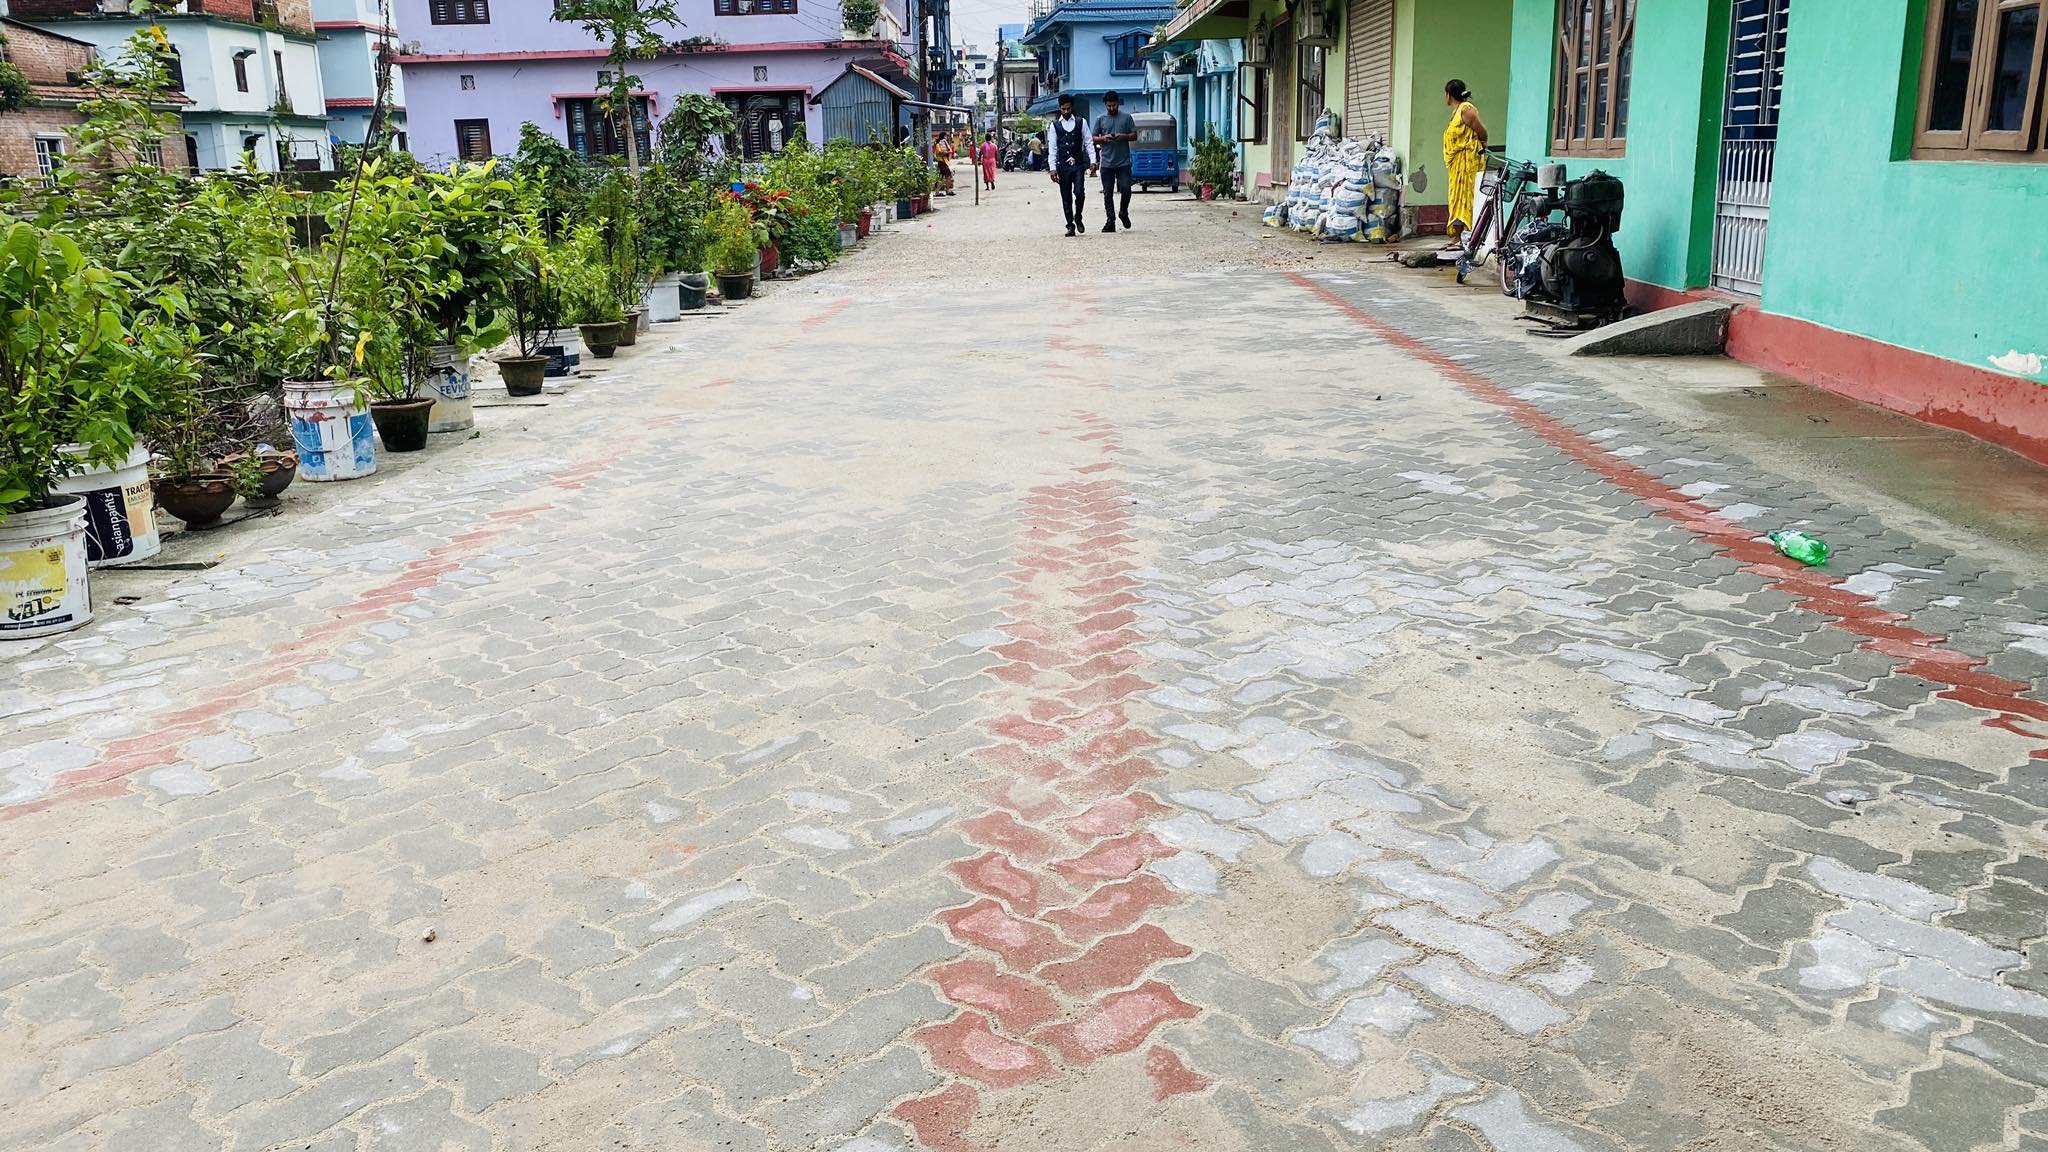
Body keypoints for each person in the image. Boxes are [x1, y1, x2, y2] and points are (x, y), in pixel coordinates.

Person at [1442, 79, 1488, 246]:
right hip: (1457, 166)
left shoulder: (1466, 110)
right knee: (1456, 199)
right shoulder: (1457, 111)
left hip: (1467, 164)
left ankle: (1465, 237)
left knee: (1465, 199)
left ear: (1448, 95)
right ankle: (1457, 237)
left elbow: (1482, 133)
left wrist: (1480, 145)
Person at [1045, 93, 1096, 237]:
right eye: (1063, 109)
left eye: (1068, 108)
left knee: (1079, 192)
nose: (1066, 111)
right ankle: (1070, 225)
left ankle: (1078, 216)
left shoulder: (1081, 122)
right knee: (1066, 196)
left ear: (1072, 107)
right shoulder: (1054, 126)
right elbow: (1052, 148)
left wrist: (1093, 160)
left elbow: (1088, 142)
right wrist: (1052, 168)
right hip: (1063, 166)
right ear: (1060, 108)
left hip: (1078, 164)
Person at [1091, 91, 1137, 232]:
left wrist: (1122, 137)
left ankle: (1123, 211)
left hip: (1123, 162)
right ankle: (1110, 220)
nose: (1112, 108)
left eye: (1114, 105)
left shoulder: (1127, 117)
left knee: (1126, 189)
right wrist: (1103, 139)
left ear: (1118, 103)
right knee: (1108, 193)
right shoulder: (1100, 119)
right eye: (1109, 106)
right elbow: (1093, 138)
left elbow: (1134, 135)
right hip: (1106, 163)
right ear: (1105, 105)